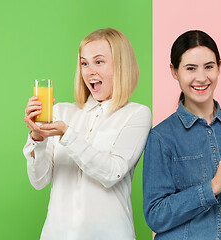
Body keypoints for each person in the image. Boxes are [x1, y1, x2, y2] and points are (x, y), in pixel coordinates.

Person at [23, 28, 152, 240]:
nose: (89, 71)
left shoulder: (136, 114)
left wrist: (66, 134)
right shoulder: (60, 112)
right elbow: (39, 180)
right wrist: (37, 138)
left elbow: (112, 173)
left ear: (121, 65)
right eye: (84, 63)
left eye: (99, 62)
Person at [143, 30, 221, 239]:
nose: (201, 78)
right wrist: (212, 187)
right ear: (174, 71)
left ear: (219, 66)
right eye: (190, 68)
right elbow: (155, 215)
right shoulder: (161, 137)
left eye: (209, 66)